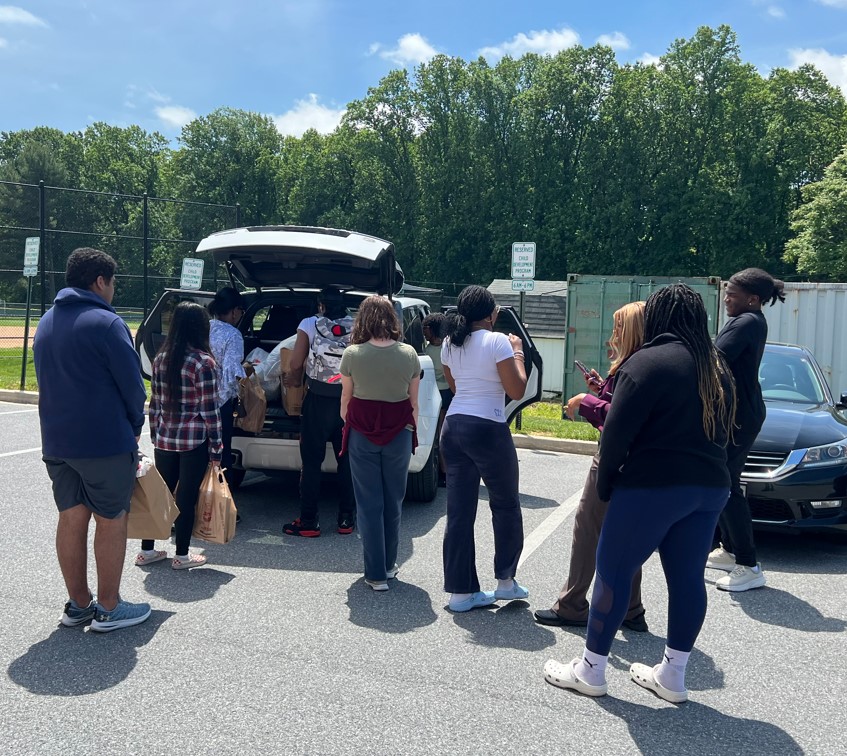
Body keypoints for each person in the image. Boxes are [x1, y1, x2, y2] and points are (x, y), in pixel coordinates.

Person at [543, 284, 734, 702]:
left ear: (659, 317)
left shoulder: (647, 362)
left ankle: (591, 670)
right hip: (709, 487)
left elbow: (616, 435)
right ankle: (673, 675)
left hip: (652, 485)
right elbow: (744, 421)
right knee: (687, 581)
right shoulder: (716, 366)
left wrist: (608, 482)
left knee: (612, 571)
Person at [33, 247, 151, 632]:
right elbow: (133, 387)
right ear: (100, 281)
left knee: (70, 517)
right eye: (113, 282)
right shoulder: (106, 322)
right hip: (103, 440)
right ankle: (110, 607)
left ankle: (79, 603)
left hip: (57, 441)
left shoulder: (47, 321)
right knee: (111, 518)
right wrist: (135, 424)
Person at [534, 302, 649, 632]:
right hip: (635, 464)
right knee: (627, 534)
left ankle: (572, 605)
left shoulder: (632, 365)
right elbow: (621, 404)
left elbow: (618, 417)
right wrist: (602, 389)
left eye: (618, 328)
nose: (613, 334)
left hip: (612, 459)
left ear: (632, 331)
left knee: (587, 529)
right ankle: (631, 608)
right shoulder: (641, 364)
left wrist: (585, 403)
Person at [440, 285, 529, 612]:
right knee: (505, 504)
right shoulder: (498, 342)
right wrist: (517, 351)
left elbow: (454, 386)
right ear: (491, 315)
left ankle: (460, 593)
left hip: (453, 426)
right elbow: (517, 389)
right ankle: (505, 582)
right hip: (488, 427)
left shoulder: (450, 343)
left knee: (459, 511)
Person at [707, 268, 785, 591]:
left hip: (741, 415)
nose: (726, 298)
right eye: (726, 292)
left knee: (726, 483)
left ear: (753, 299)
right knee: (724, 480)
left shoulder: (748, 322)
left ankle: (748, 565)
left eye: (732, 295)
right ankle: (730, 549)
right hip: (742, 412)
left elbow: (714, 356)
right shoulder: (748, 320)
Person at [339, 296, 421, 591]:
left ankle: (375, 574)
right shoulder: (409, 354)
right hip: (399, 431)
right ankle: (388, 565)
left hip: (362, 432)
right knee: (393, 499)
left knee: (368, 502)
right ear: (392, 319)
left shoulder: (352, 353)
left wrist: (352, 423)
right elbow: (414, 402)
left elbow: (346, 401)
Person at [137, 301, 223, 570]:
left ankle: (147, 550)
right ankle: (182, 555)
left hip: (164, 437)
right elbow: (210, 411)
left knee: (160, 494)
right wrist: (217, 449)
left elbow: (156, 403)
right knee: (186, 496)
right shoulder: (204, 362)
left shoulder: (161, 359)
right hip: (193, 440)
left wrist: (154, 433)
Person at [282, 287, 356, 537]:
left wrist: (294, 380)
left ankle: (308, 521)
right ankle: (346, 519)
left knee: (312, 462)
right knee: (346, 461)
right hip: (347, 401)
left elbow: (294, 363)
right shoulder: (357, 326)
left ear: (321, 305)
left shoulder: (310, 323)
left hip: (317, 399)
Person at [207, 287, 248, 489]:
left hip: (198, 399)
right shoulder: (233, 335)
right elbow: (233, 373)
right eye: (241, 310)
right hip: (221, 403)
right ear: (233, 310)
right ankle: (223, 505)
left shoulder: (203, 327)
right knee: (221, 453)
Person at [422, 312, 451, 486]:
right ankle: (445, 471)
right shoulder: (448, 348)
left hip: (437, 393)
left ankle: (444, 472)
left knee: (439, 434)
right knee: (442, 433)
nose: (423, 332)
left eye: (426, 328)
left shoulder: (428, 352)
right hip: (447, 392)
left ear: (433, 329)